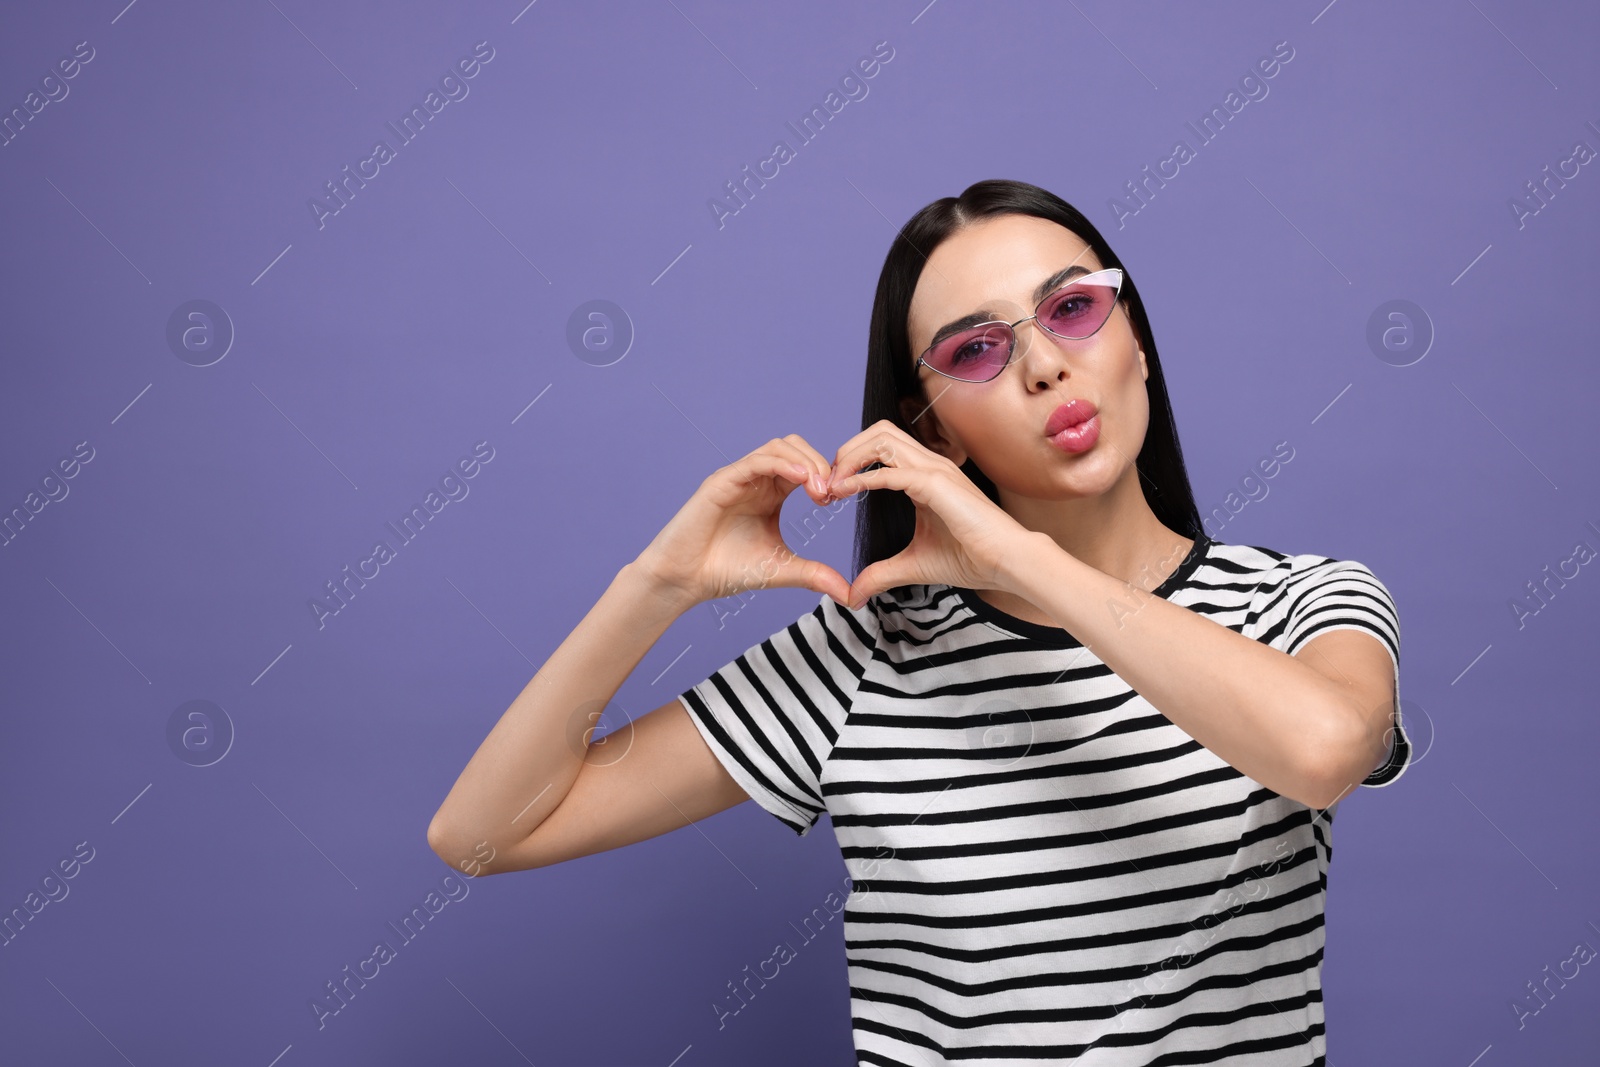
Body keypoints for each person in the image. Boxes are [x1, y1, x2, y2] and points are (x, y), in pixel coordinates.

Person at [428, 178, 1410, 1065]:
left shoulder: (1300, 602)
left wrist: (1020, 556)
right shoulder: (868, 651)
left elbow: (1321, 749)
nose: (1042, 367)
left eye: (1073, 308)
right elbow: (479, 834)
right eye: (975, 348)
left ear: (1136, 340)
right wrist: (656, 582)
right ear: (930, 425)